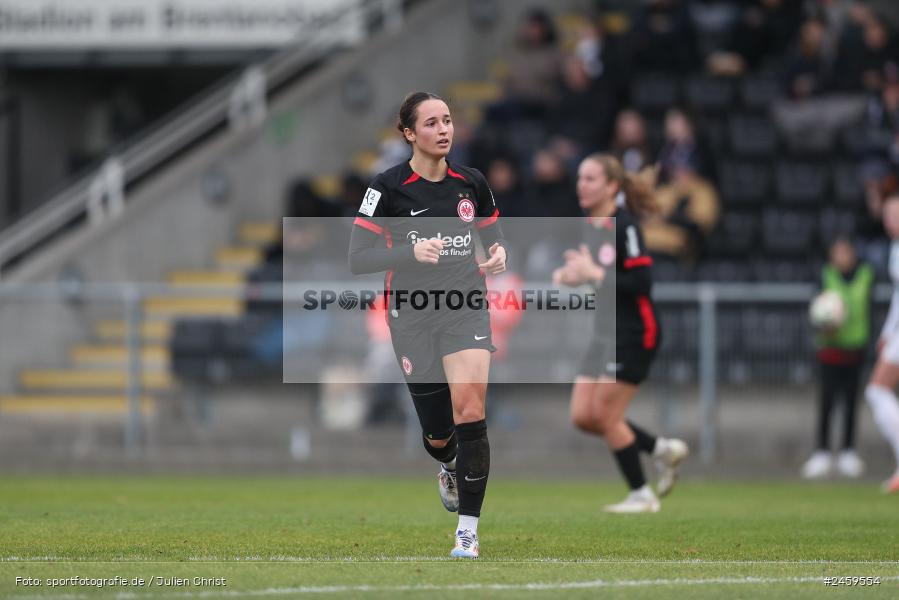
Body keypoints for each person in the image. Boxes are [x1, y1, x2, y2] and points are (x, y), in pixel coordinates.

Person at [348, 92, 507, 557]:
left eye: (448, 121)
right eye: (432, 123)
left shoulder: (472, 182)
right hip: (412, 314)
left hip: (465, 306)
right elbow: (358, 258)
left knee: (472, 409)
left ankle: (468, 532)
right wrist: (408, 252)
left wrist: (498, 255)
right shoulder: (386, 187)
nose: (443, 130)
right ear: (409, 133)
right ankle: (449, 464)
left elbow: (492, 237)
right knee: (439, 434)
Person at [553, 154, 688, 513]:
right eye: (580, 177)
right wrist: (577, 279)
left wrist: (593, 274)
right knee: (583, 416)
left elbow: (641, 283)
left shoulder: (624, 226)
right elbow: (601, 284)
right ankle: (661, 449)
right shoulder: (590, 226)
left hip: (633, 332)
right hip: (604, 334)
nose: (582, 184)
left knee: (607, 415)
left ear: (612, 186)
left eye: (591, 178)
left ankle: (642, 495)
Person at [802, 237, 873, 479]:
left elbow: (870, 309)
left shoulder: (866, 275)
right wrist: (825, 325)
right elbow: (816, 309)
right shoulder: (825, 275)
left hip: (855, 348)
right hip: (830, 351)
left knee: (851, 402)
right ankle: (821, 452)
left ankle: (848, 452)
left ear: (853, 254)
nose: (842, 257)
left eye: (846, 252)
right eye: (837, 253)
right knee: (827, 402)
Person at [864, 193, 899, 493]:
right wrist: (887, 331)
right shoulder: (895, 247)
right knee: (877, 390)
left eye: (896, 214)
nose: (890, 220)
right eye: (888, 215)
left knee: (877, 389)